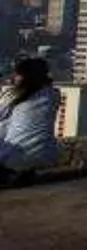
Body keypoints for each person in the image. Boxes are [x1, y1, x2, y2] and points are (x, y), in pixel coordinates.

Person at [0, 57, 60, 188]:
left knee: (4, 125)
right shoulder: (54, 94)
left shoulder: (13, 95)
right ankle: (24, 173)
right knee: (10, 123)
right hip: (47, 154)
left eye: (16, 75)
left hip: (13, 156)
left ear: (24, 77)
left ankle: (9, 172)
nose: (13, 78)